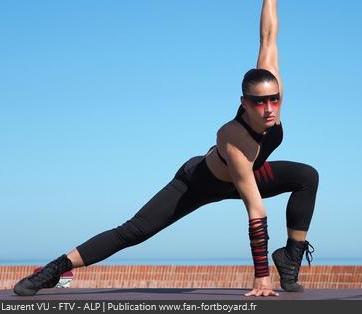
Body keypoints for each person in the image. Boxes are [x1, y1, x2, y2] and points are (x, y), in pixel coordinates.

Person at [14, 0, 319, 298]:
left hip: (249, 174)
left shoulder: (270, 86)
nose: (269, 108)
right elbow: (255, 211)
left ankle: (290, 258)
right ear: (243, 102)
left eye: (274, 100)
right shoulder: (233, 137)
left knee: (307, 176)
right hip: (200, 182)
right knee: (133, 232)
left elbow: (268, 36)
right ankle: (54, 269)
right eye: (258, 102)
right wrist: (261, 278)